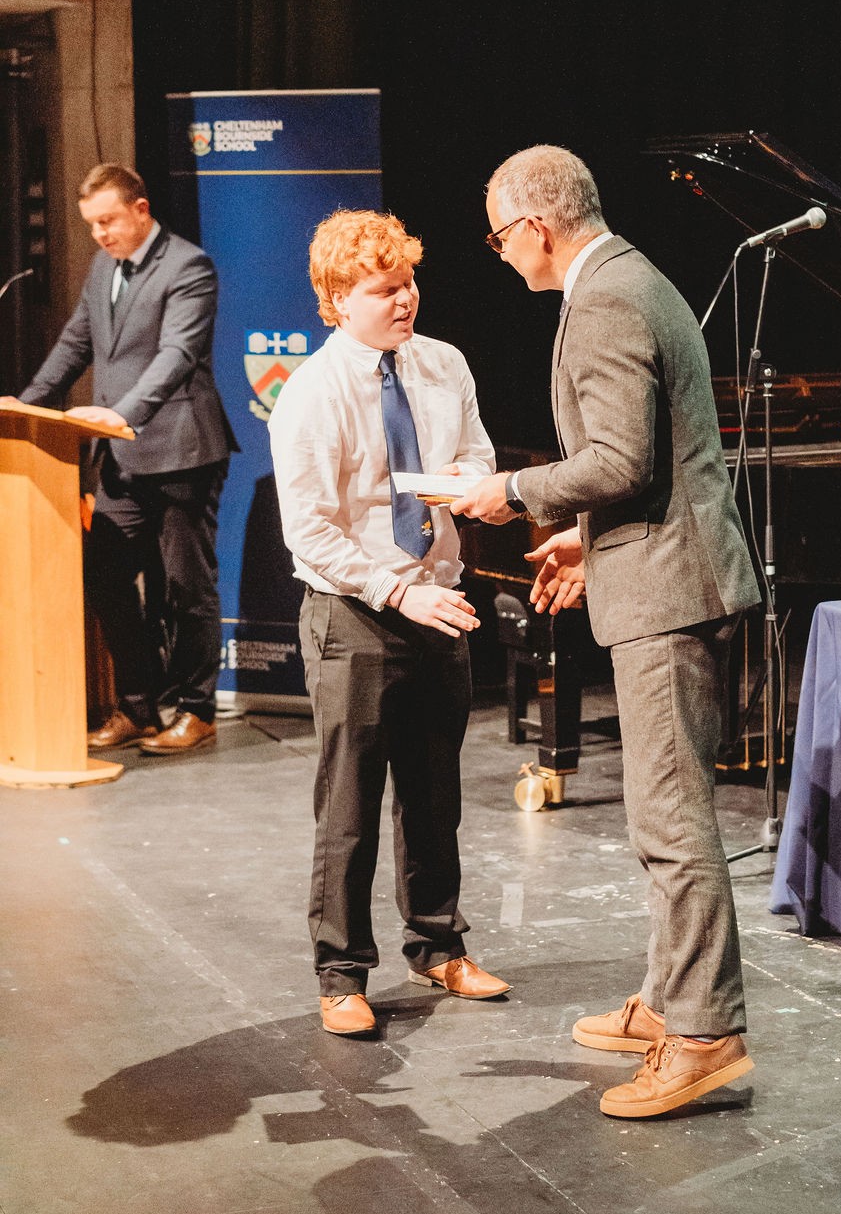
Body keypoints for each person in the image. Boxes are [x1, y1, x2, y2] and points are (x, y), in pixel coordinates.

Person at [452, 145, 761, 1118]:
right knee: (660, 814)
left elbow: (621, 460)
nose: (501, 253)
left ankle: (704, 1035)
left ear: (535, 227)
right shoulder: (626, 279)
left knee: (671, 820)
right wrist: (585, 545)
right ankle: (671, 999)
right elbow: (653, 459)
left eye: (499, 237)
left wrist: (513, 492)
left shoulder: (608, 299)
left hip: (670, 593)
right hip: (662, 574)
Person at [267, 208, 509, 1037]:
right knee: (350, 805)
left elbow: (477, 454)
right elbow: (311, 532)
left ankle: (438, 945)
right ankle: (341, 974)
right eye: (383, 290)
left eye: (408, 283)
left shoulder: (444, 364)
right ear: (338, 299)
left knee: (435, 795)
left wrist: (466, 484)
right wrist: (398, 593)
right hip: (355, 615)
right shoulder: (312, 393)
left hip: (440, 600)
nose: (404, 300)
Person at [18, 162, 235, 754]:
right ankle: (138, 707)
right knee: (104, 575)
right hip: (121, 458)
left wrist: (123, 413)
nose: (100, 234)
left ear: (141, 209)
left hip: (182, 451)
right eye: (92, 224)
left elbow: (178, 354)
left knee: (186, 587)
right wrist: (27, 405)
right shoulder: (103, 267)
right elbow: (76, 342)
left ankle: (196, 710)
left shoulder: (188, 266)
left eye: (108, 220)